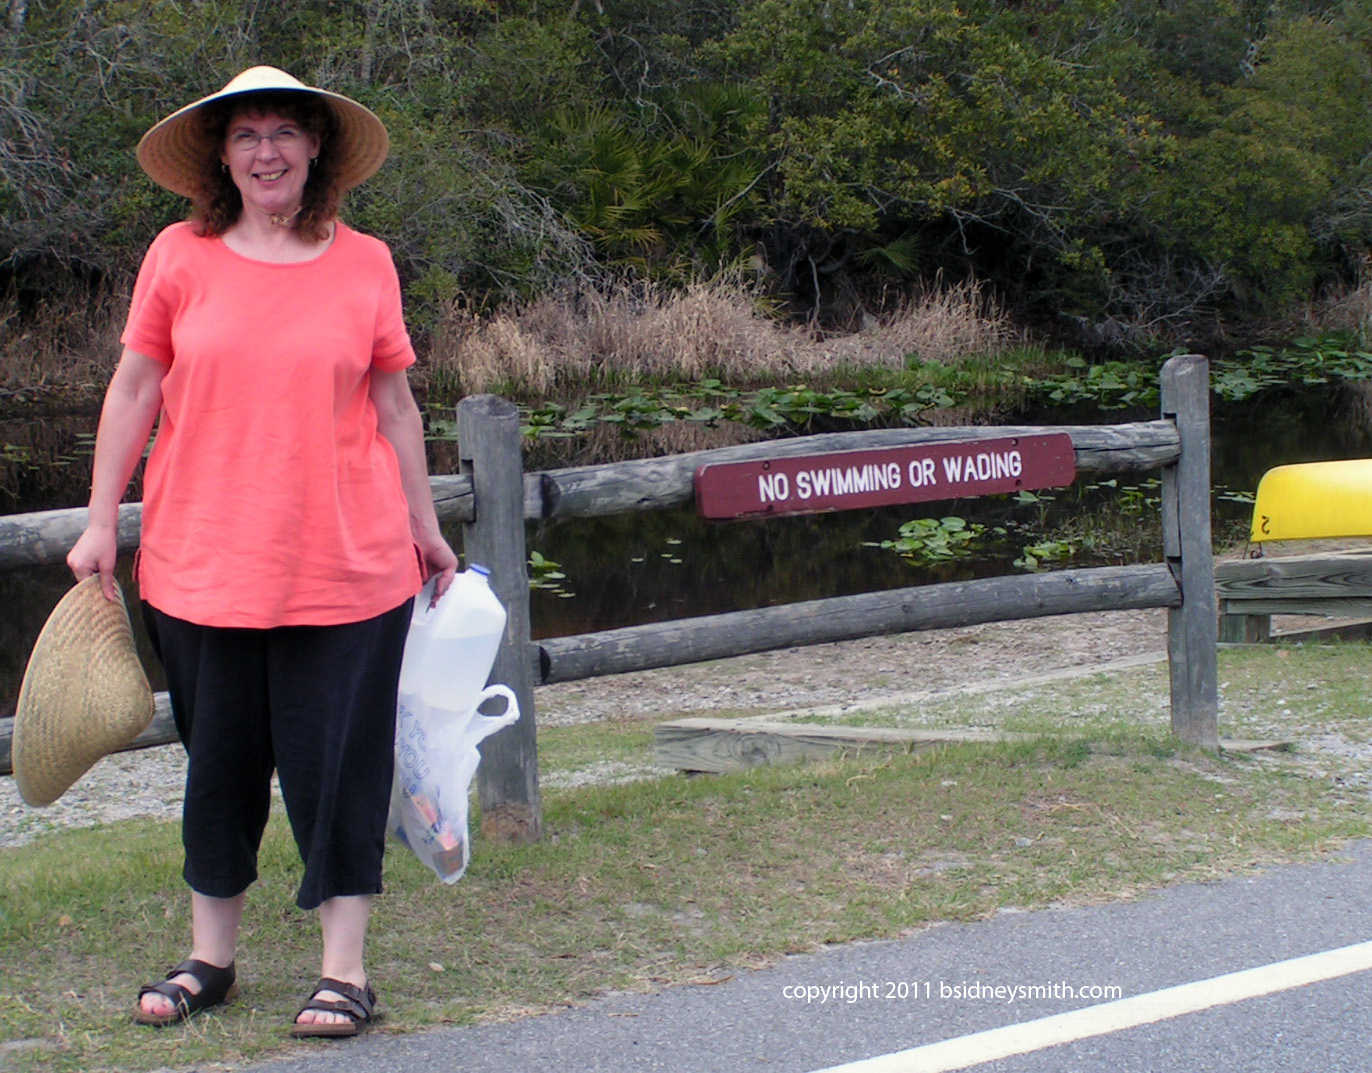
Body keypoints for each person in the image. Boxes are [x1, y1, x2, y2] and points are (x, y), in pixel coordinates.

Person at [66, 66, 458, 1038]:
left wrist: (425, 525)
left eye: (286, 131)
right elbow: (132, 390)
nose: (268, 150)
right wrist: (96, 519)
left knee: (341, 772)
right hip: (201, 568)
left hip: (349, 567)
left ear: (317, 147)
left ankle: (345, 972)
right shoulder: (177, 255)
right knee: (221, 769)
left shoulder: (365, 261)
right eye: (247, 134)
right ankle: (212, 959)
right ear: (221, 156)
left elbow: (396, 407)